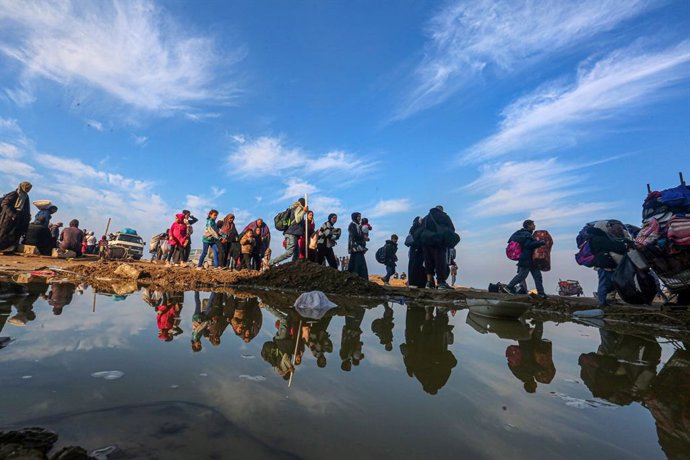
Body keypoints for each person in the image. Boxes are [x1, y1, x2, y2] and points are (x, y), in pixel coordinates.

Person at [589, 220, 632, 307]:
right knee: (604, 284)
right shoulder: (599, 238)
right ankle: (602, 303)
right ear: (602, 227)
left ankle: (603, 300)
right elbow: (613, 246)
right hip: (605, 266)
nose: (609, 228)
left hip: (607, 265)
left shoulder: (599, 237)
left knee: (610, 284)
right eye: (607, 226)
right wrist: (625, 245)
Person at [502, 220, 547, 298]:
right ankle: (509, 287)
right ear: (529, 225)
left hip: (530, 259)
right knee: (522, 275)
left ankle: (541, 293)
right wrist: (540, 243)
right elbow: (528, 245)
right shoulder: (526, 234)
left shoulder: (524, 234)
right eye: (533, 224)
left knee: (537, 276)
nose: (534, 225)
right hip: (526, 259)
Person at [419, 205, 456, 290]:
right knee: (440, 262)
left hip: (426, 243)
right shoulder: (444, 216)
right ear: (441, 210)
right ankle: (441, 283)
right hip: (438, 242)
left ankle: (429, 283)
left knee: (428, 262)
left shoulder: (426, 218)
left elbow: (421, 230)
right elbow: (452, 229)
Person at [271, 198, 307, 266]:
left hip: (293, 233)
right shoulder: (298, 207)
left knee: (297, 253)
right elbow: (298, 219)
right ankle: (271, 262)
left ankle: (293, 267)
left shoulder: (293, 208)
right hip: (291, 234)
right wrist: (304, 211)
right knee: (289, 252)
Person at [0, 181, 32, 251]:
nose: (28, 190)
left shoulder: (25, 196)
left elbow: (26, 208)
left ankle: (9, 249)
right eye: (27, 188)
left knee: (15, 233)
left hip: (19, 218)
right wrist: (11, 214)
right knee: (4, 232)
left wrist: (27, 216)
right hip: (8, 217)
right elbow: (4, 204)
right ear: (22, 187)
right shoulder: (14, 194)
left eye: (29, 189)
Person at [405, 217, 426, 288]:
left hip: (414, 250)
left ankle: (414, 282)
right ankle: (416, 283)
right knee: (417, 266)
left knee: (415, 266)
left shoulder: (413, 229)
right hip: (417, 250)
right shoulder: (420, 229)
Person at [347, 212, 368, 279]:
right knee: (359, 263)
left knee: (355, 263)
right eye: (358, 216)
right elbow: (355, 235)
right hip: (355, 247)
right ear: (355, 217)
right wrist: (363, 237)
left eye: (360, 216)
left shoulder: (357, 225)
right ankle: (359, 277)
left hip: (357, 248)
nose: (359, 218)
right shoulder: (352, 225)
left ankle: (357, 277)